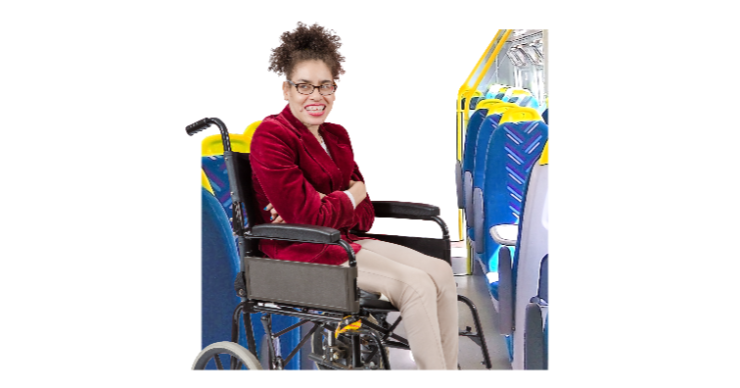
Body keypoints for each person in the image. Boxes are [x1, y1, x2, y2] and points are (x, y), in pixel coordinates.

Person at [249, 22, 458, 370]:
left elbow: (363, 217)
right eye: (303, 86)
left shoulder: (337, 136)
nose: (315, 96)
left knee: (439, 271)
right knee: (417, 285)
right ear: (286, 89)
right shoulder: (272, 135)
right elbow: (310, 219)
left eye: (325, 86)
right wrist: (348, 195)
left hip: (344, 239)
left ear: (334, 88)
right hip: (299, 250)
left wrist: (331, 200)